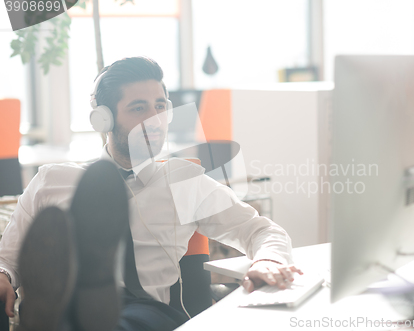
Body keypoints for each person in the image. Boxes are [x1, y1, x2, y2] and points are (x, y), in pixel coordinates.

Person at [0, 57, 301, 330]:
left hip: (151, 312)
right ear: (103, 119)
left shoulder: (184, 179)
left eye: (160, 106)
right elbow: (8, 259)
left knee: (120, 322)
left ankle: (79, 308)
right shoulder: (53, 180)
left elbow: (259, 230)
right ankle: (76, 306)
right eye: (139, 107)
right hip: (70, 307)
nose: (155, 118)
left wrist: (269, 261)